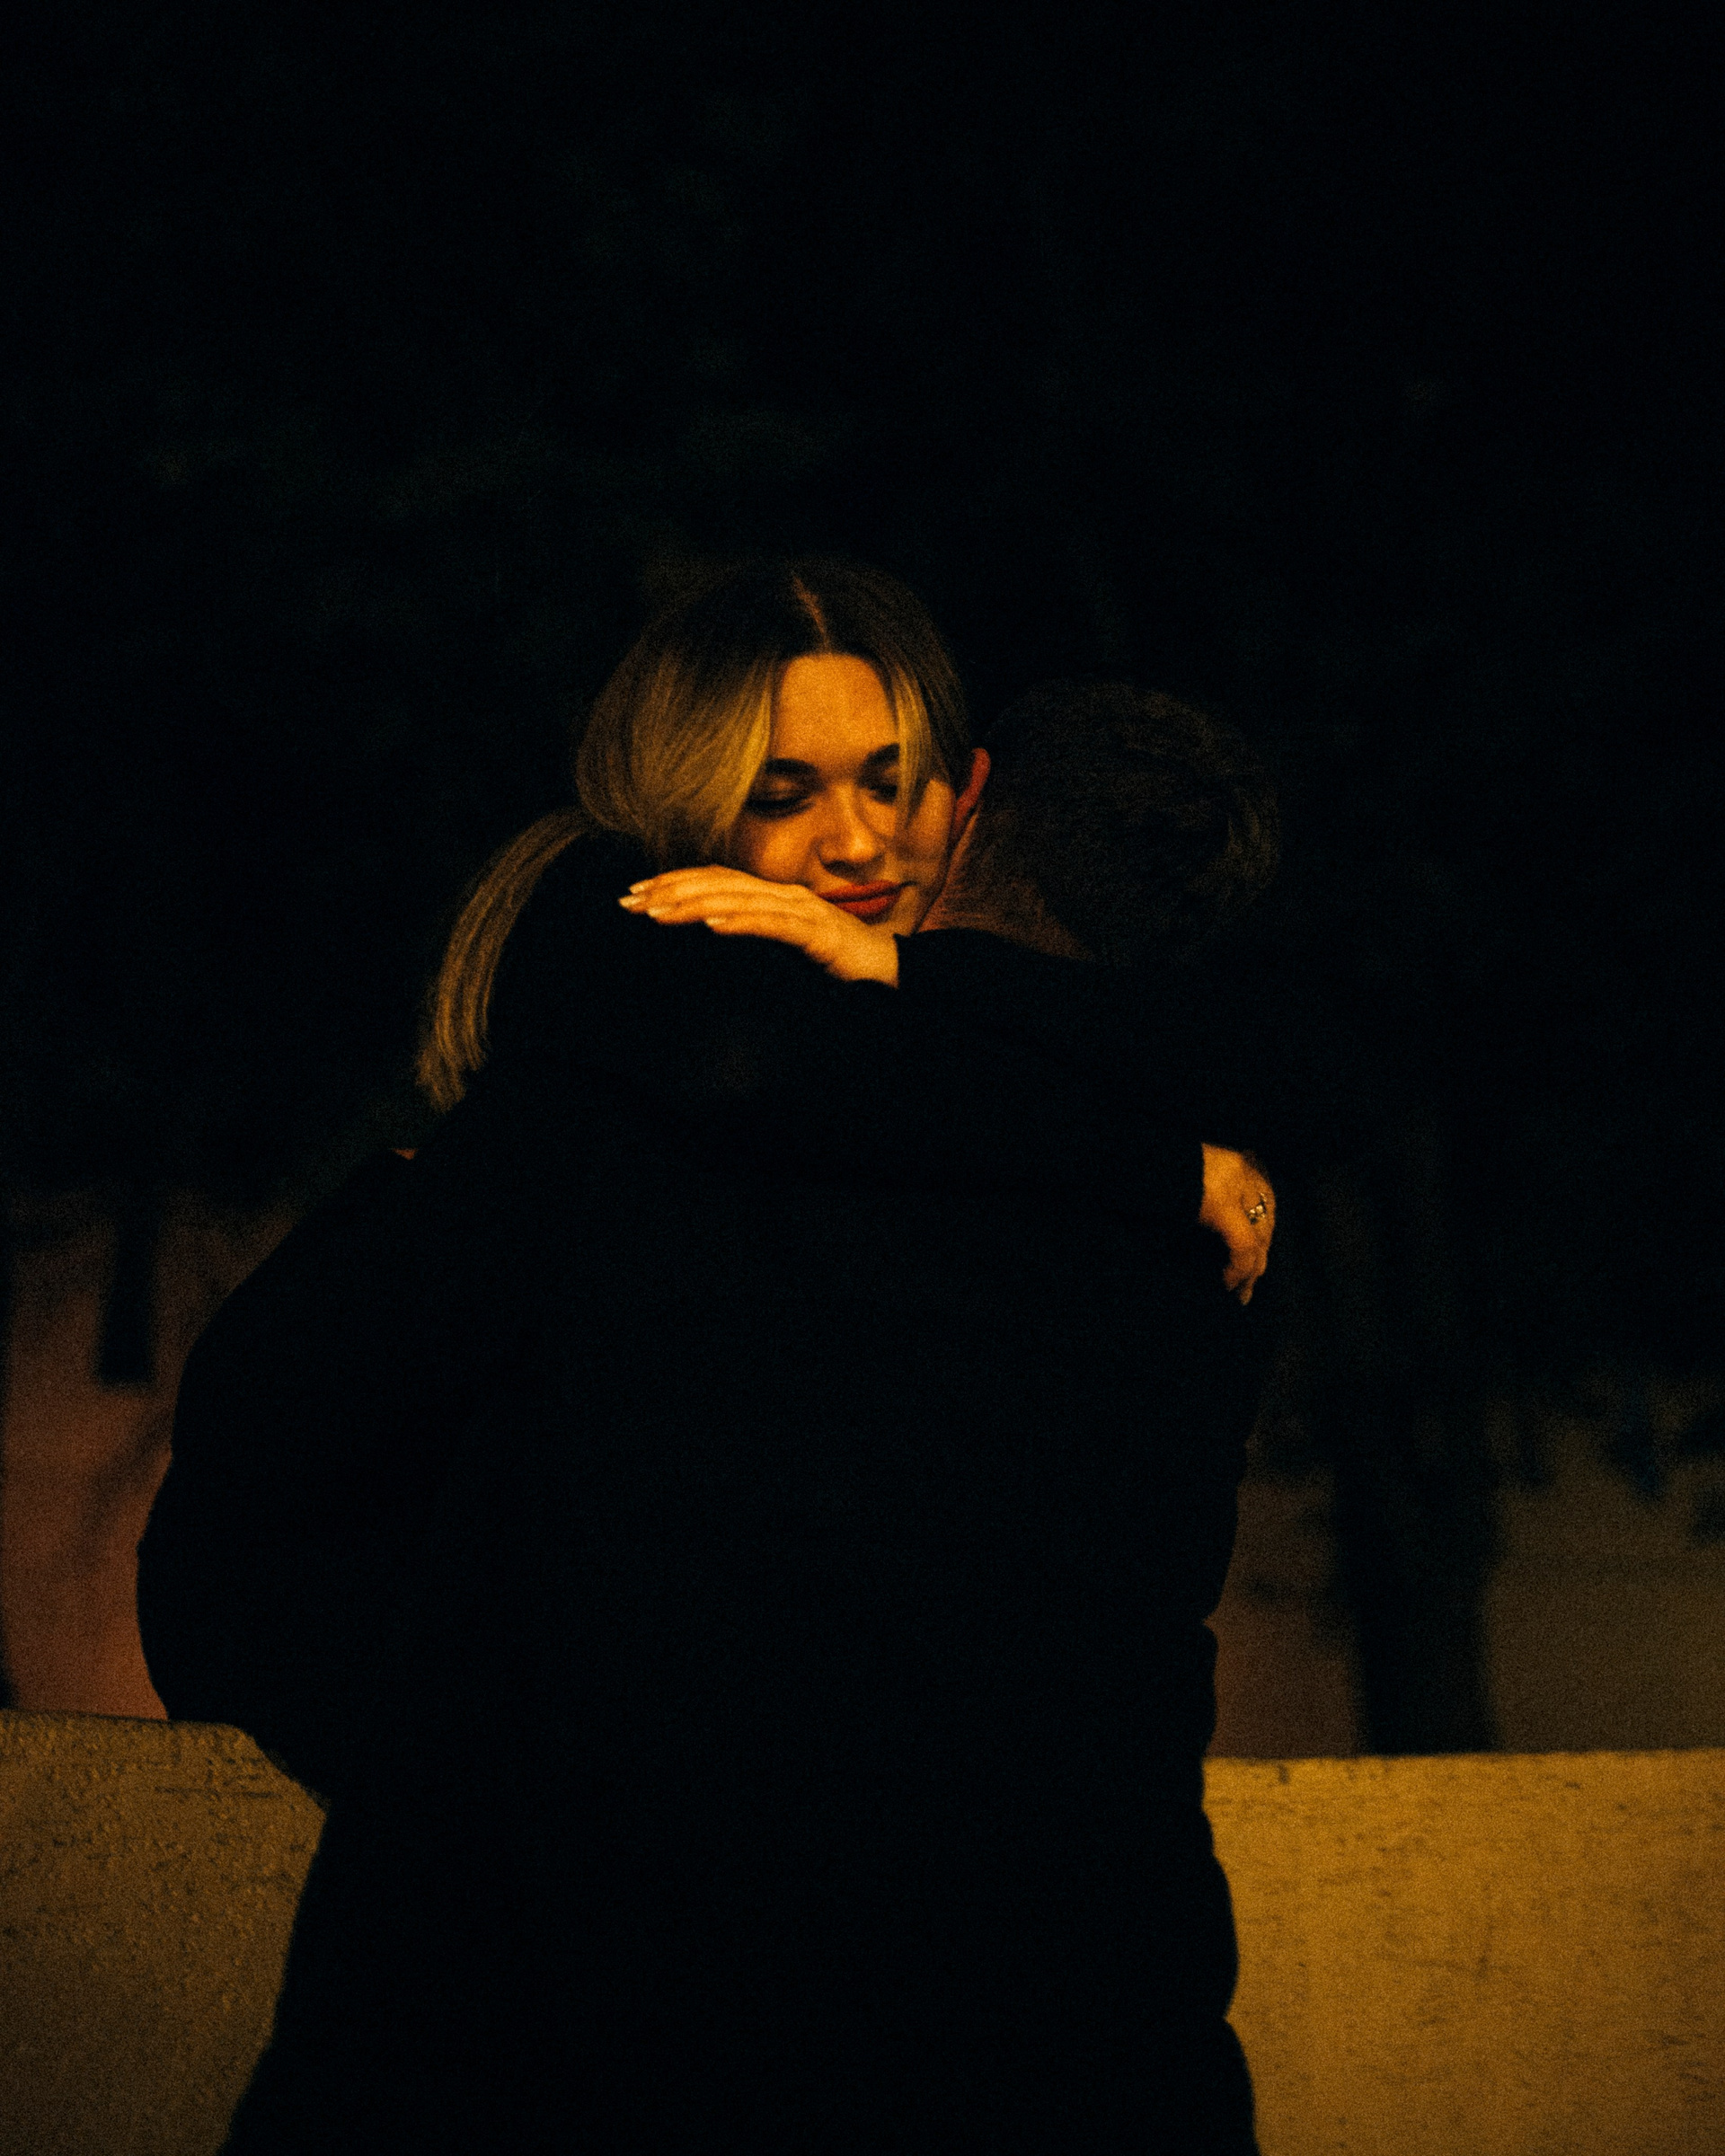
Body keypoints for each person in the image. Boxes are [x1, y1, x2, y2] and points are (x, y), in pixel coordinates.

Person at [137, 561, 1276, 2151]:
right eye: (781, 795)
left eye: (889, 783)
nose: (858, 845)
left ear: (963, 796)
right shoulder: (641, 1023)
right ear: (682, 827)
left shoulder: (919, 1112)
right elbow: (261, 1461)